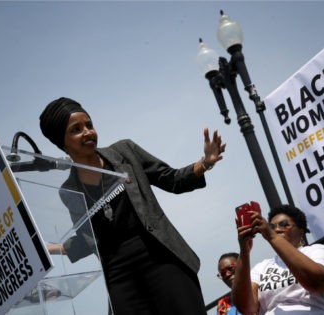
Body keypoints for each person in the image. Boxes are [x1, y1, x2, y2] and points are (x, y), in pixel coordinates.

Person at [39, 97, 226, 315]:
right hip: (120, 276)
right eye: (77, 129)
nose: (88, 132)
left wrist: (205, 163)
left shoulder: (125, 152)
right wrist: (56, 248)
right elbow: (89, 239)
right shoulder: (69, 191)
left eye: (89, 125)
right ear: (62, 142)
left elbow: (171, 179)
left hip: (161, 257)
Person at [232, 204, 324, 314]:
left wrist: (271, 236)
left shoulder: (316, 251)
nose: (277, 229)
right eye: (272, 227)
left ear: (301, 230)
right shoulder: (262, 267)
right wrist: (244, 252)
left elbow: (318, 283)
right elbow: (247, 309)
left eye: (283, 224)